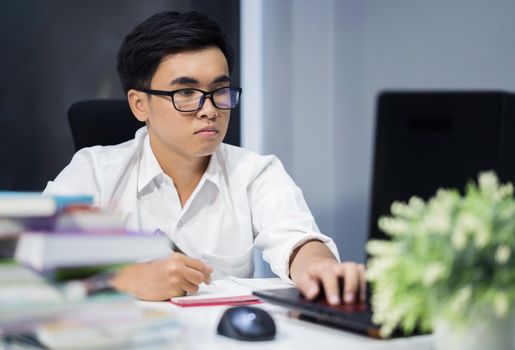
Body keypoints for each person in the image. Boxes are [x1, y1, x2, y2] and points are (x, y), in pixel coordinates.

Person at [44, 11, 365, 304]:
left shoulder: (255, 172)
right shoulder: (96, 171)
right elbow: (28, 257)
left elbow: (297, 239)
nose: (210, 109)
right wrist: (120, 278)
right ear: (140, 104)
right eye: (186, 93)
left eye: (219, 91)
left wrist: (319, 267)